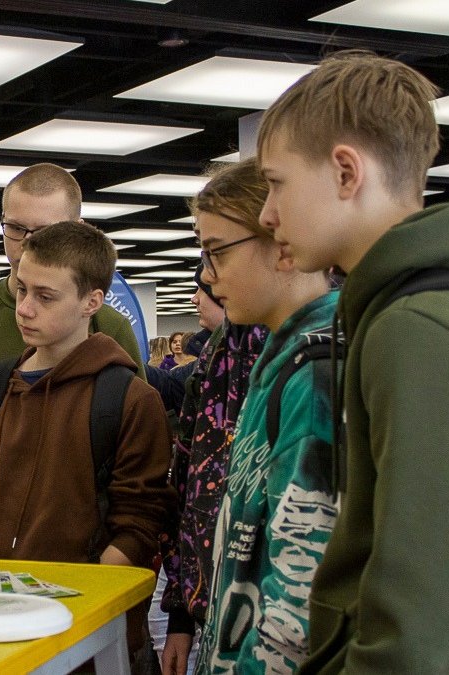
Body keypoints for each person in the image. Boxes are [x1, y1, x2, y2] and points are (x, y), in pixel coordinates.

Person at [257, 50, 449, 673]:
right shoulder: (411, 308)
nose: (267, 214)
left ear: (346, 172)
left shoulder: (420, 330)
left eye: (275, 183)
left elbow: (416, 621)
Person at [0, 220, 175, 669]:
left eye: (45, 296)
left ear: (92, 302)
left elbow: (141, 523)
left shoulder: (130, 399)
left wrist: (71, 607)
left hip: (89, 637)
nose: (24, 309)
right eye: (21, 289)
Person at [184, 157, 339, 673]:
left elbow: (300, 589)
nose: (207, 276)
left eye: (216, 253)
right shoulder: (276, 358)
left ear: (281, 243)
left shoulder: (314, 375)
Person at [0, 163, 145, 394]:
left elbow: (136, 416)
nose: (26, 243)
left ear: (77, 230)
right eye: (15, 227)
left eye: (46, 232)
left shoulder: (110, 325)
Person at [161, 271, 269, 675]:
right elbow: (190, 492)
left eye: (218, 255)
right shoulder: (217, 358)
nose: (201, 286)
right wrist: (181, 615)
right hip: (214, 612)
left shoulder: (325, 348)